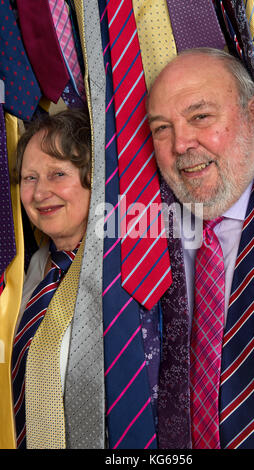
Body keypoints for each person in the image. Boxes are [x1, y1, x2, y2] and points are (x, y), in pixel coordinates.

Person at [146, 48, 254, 449]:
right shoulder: (145, 247)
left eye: (200, 117)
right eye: (162, 128)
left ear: (252, 113)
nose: (180, 144)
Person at [11, 109, 91, 448]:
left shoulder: (126, 270)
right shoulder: (30, 268)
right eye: (30, 178)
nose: (40, 192)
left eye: (58, 173)